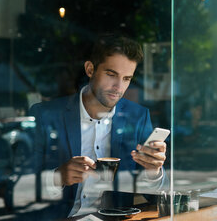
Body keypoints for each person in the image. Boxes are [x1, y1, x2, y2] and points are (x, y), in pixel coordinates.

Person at [31, 34, 167, 217]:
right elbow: (16, 188)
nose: (118, 87)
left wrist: (154, 172)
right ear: (90, 69)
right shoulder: (45, 115)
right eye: (111, 75)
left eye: (127, 79)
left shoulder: (138, 117)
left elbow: (154, 198)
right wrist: (58, 177)